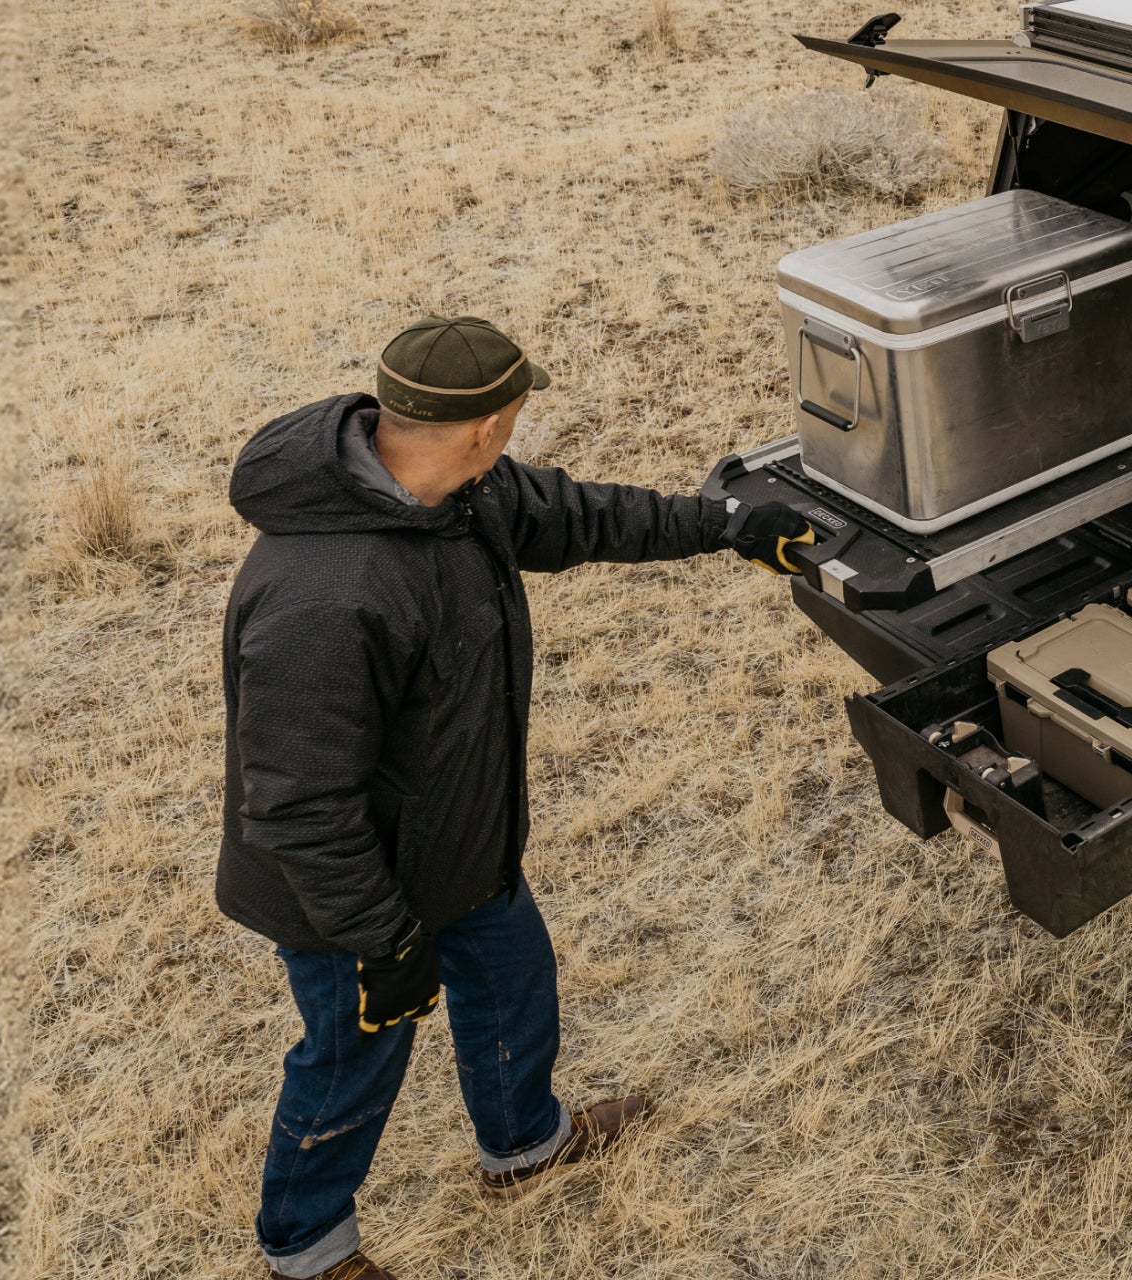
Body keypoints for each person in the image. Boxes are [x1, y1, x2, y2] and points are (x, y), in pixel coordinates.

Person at [215, 316, 817, 1279]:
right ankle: (306, 1248)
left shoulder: (463, 492)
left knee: (511, 981)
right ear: (489, 424)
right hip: (341, 897)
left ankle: (524, 1145)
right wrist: (385, 943)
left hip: (458, 838)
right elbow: (295, 807)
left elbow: (582, 516)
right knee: (349, 1059)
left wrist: (727, 526)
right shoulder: (327, 596)